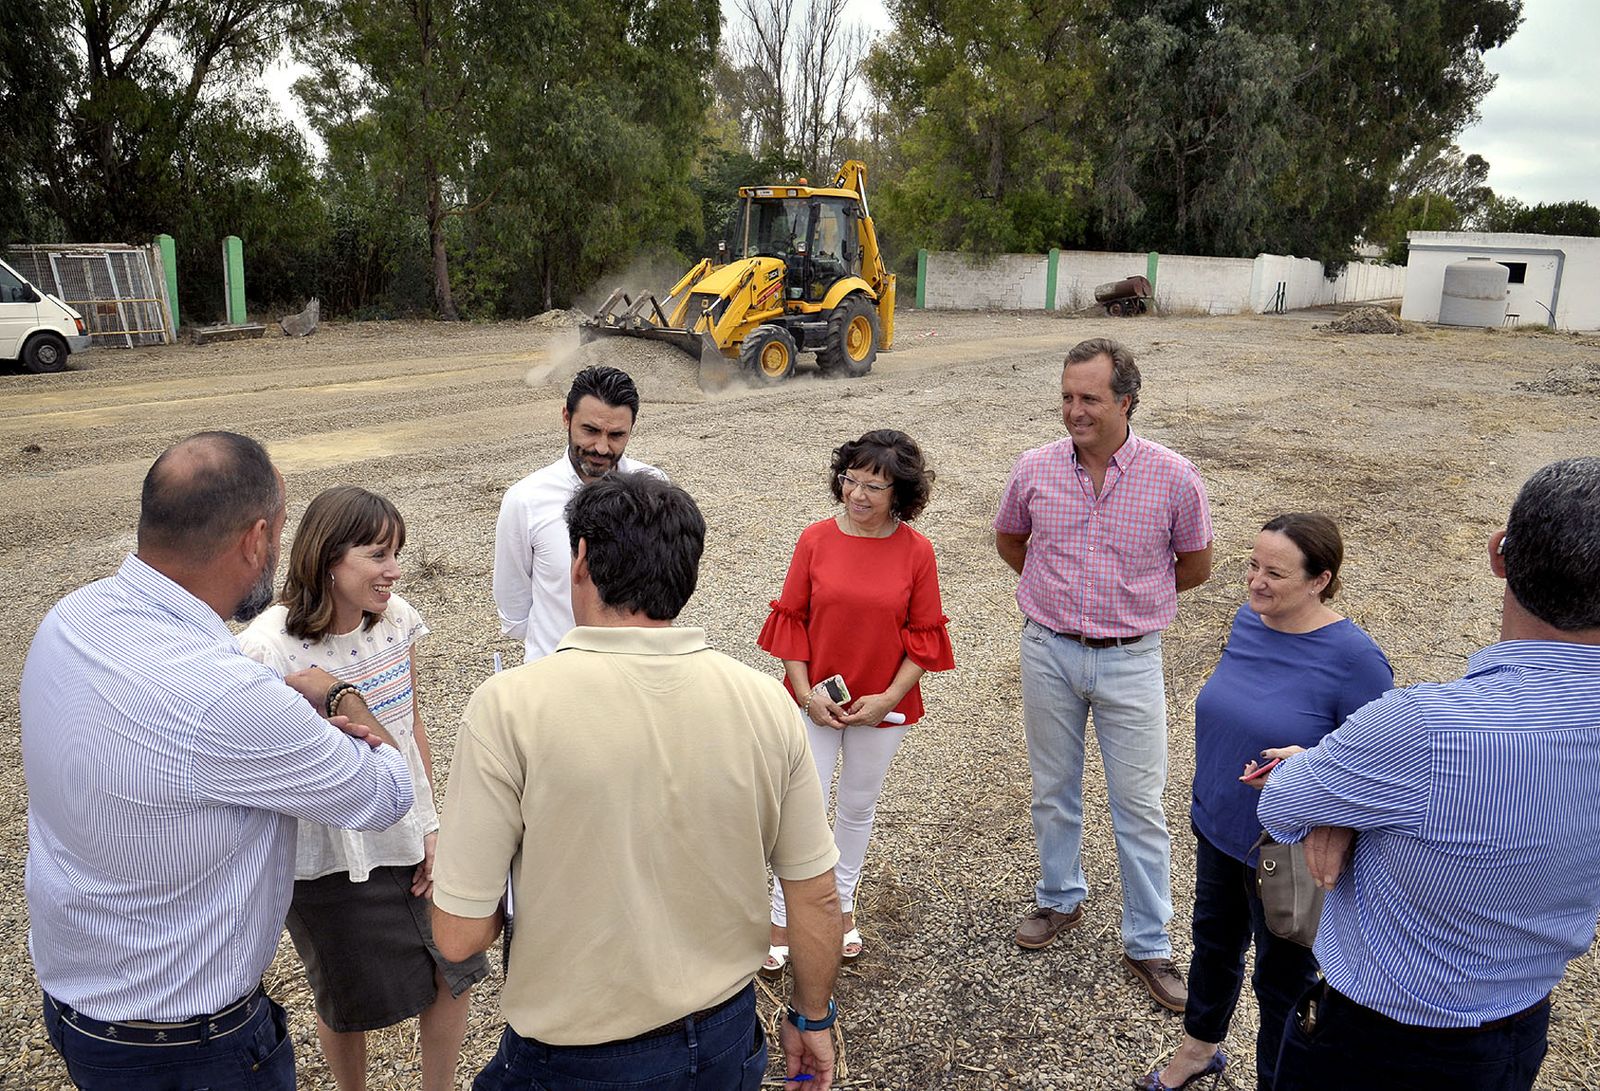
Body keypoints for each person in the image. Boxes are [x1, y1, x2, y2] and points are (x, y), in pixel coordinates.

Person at [22, 431, 414, 1091]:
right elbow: (388, 789)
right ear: (255, 539)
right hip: (192, 1050)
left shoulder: (68, 620)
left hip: (76, 1012)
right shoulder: (229, 697)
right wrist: (337, 692)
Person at [433, 472, 844, 1090]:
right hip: (725, 1035)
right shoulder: (766, 700)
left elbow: (460, 935)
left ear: (580, 561)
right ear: (687, 573)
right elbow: (815, 896)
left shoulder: (509, 707)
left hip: (575, 1052)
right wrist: (814, 1017)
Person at [1258, 457, 1600, 1091]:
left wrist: (1333, 797)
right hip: (1519, 1027)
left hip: (1377, 1041)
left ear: (1500, 554)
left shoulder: (1426, 731)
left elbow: (1280, 807)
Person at [238, 486, 486, 1091]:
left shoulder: (397, 619)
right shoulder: (265, 647)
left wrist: (432, 827)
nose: (394, 571)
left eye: (396, 552)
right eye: (377, 555)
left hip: (410, 831)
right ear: (327, 558)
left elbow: (411, 723)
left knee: (455, 966)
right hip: (326, 857)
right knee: (346, 1001)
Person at [994, 336, 1214, 1013]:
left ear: (1126, 400)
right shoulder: (1034, 468)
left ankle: (1149, 941)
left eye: (1089, 397)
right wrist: (1054, 598)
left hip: (1131, 657)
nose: (1074, 410)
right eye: (1066, 396)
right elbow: (1010, 538)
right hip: (1048, 650)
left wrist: (1131, 598)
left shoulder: (1175, 476)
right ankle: (1060, 898)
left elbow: (1196, 564)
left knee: (1141, 805)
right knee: (1052, 787)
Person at [1137, 514, 1392, 1091]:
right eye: (1253, 565)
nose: (1255, 582)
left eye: (1274, 573)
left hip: (1289, 849)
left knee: (1283, 980)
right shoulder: (1250, 622)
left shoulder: (1356, 659)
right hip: (1218, 824)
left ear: (1319, 580)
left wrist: (1306, 761)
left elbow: (1376, 767)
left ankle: (1277, 1079)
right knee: (1213, 945)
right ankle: (1199, 1048)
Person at [758, 429, 955, 972]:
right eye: (852, 480)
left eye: (875, 485)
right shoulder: (815, 539)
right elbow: (791, 620)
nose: (859, 495)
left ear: (901, 494)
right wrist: (803, 693)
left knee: (857, 806)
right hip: (815, 702)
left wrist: (888, 695)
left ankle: (842, 907)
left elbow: (925, 634)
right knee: (804, 807)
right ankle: (781, 914)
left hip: (881, 705)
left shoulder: (917, 552)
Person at [492, 365, 665, 662]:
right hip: (555, 679)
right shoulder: (525, 500)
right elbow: (515, 610)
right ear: (566, 418)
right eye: (590, 430)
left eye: (616, 435)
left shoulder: (655, 488)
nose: (601, 447)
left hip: (636, 673)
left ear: (632, 429)